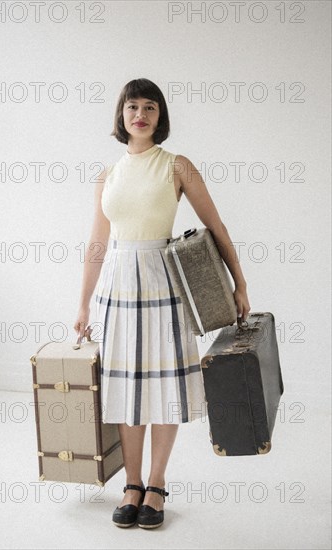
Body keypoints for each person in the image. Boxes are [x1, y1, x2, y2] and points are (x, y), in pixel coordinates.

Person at [74, 78, 251, 529]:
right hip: (118, 286)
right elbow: (97, 244)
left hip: (164, 283)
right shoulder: (107, 175)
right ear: (121, 116)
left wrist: (240, 283)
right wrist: (82, 306)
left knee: (163, 386)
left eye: (150, 107)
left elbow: (216, 226)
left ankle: (155, 483)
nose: (140, 114)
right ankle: (130, 485)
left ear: (159, 117)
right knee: (126, 389)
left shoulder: (176, 167)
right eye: (132, 106)